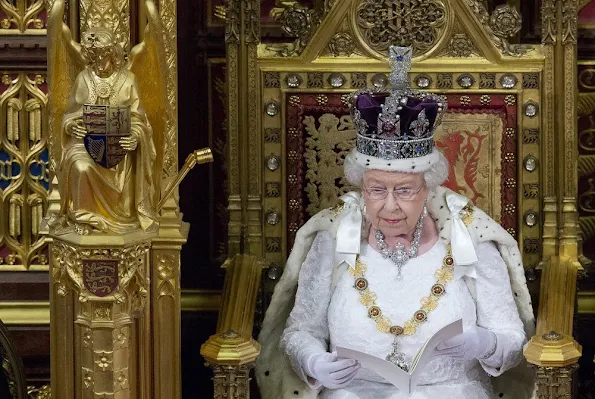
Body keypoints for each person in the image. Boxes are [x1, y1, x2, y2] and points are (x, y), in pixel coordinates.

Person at [256, 47, 535, 399]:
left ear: (427, 187)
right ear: (362, 186)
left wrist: (486, 343)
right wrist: (313, 362)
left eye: (404, 190)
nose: (390, 206)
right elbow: (300, 331)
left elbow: (512, 340)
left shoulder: (470, 239)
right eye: (376, 190)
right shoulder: (332, 238)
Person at [57, 27, 158, 234]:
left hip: (119, 148)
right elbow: (69, 116)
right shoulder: (83, 79)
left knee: (124, 162)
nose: (100, 61)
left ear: (113, 54)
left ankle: (123, 215)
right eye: (95, 56)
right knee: (80, 166)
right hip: (87, 144)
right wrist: (71, 126)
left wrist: (135, 137)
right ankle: (85, 218)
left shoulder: (128, 80)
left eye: (104, 55)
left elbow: (139, 119)